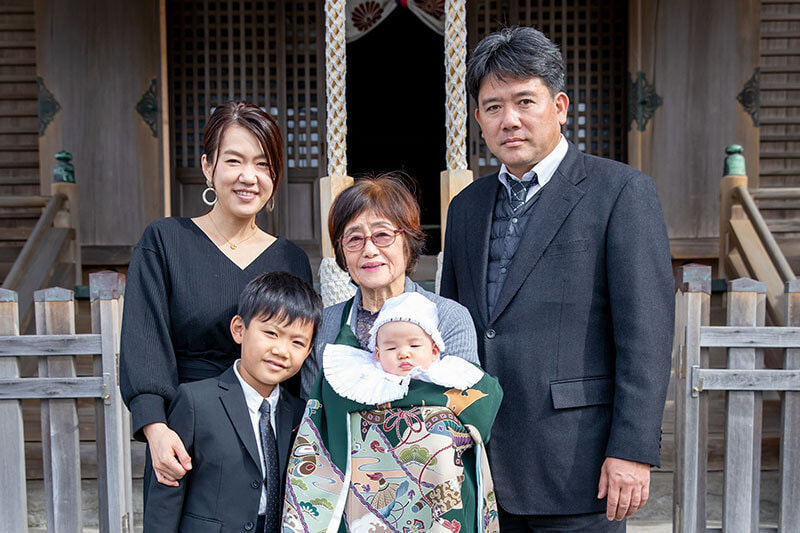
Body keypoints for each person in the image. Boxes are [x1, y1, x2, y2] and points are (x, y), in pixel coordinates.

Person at [440, 27, 674, 531]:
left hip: (579, 465)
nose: (511, 119)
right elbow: (451, 326)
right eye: (493, 106)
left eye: (525, 100)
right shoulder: (465, 209)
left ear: (560, 106)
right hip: (477, 464)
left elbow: (646, 335)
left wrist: (632, 450)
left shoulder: (620, 193)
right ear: (478, 118)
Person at [120, 101, 313, 495]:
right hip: (185, 438)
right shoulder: (165, 241)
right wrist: (155, 429)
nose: (249, 177)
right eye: (234, 161)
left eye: (263, 164)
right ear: (208, 167)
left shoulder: (290, 258)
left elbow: (297, 362)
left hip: (267, 439)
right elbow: (144, 341)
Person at [284, 292, 503, 532]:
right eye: (391, 347)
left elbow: (483, 411)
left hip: (440, 492)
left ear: (435, 350)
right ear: (376, 355)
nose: (404, 353)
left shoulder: (455, 377)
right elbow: (326, 418)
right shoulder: (356, 381)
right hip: (371, 499)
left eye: (415, 345)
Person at [143, 272, 321, 532]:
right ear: (239, 329)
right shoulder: (196, 402)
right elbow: (166, 493)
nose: (281, 350)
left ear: (308, 352)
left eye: (297, 342)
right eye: (271, 333)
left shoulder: (299, 413)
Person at [300, 172, 479, 398]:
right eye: (354, 239)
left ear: (408, 243)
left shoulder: (448, 317)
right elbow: (311, 411)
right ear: (342, 252)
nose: (369, 250)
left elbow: (467, 405)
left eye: (382, 235)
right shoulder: (324, 325)